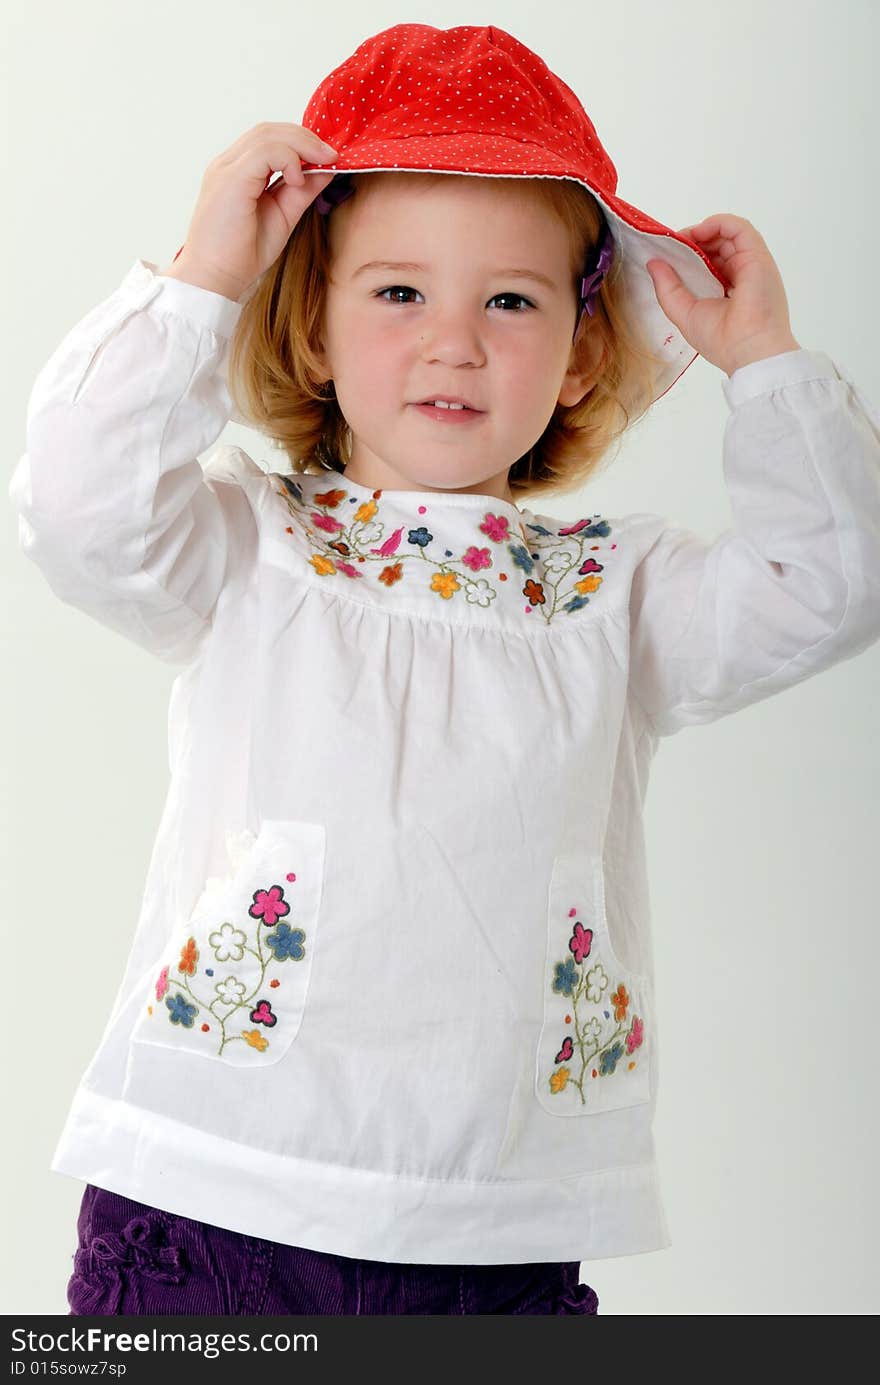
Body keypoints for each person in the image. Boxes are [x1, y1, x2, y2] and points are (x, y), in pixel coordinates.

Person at [9, 22, 880, 1317]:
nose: (456, 342)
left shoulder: (613, 591)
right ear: (312, 325)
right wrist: (204, 276)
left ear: (582, 352)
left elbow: (834, 578)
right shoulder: (250, 544)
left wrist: (769, 365)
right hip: (211, 1188)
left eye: (512, 300)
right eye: (399, 291)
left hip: (500, 1228)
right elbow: (74, 507)